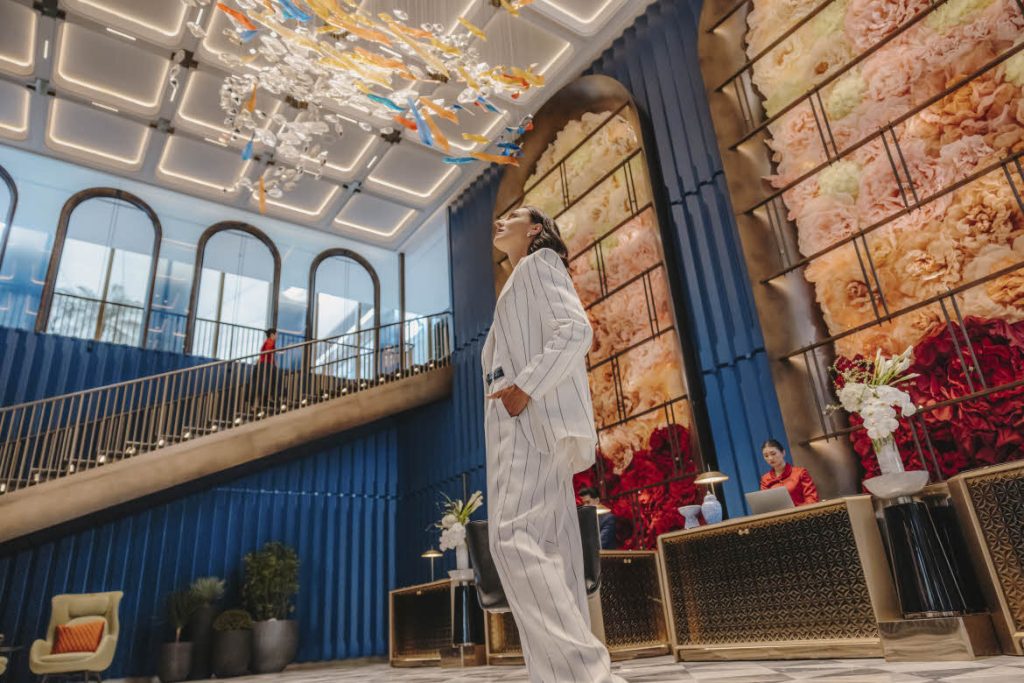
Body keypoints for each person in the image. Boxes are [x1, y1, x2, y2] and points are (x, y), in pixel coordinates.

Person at [483, 206, 624, 683]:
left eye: (513, 216)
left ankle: (585, 671)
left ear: (537, 229)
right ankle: (567, 677)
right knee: (552, 544)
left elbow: (575, 330)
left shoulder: (537, 265)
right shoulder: (523, 277)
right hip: (529, 417)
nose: (499, 223)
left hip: (526, 415)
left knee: (512, 538)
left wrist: (524, 387)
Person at [759, 438, 819, 506]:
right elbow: (765, 505)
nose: (770, 458)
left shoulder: (800, 473)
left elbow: (812, 499)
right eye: (766, 456)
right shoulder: (765, 479)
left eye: (773, 454)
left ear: (783, 453)